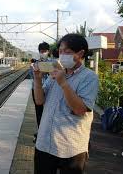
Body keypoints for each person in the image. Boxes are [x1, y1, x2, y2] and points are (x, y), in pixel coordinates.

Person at [32, 34, 99, 174]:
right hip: (44, 143)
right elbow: (39, 101)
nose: (62, 55)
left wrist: (63, 83)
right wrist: (37, 80)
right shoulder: (56, 73)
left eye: (67, 52)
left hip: (71, 148)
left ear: (80, 53)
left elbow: (80, 110)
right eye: (61, 51)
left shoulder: (89, 77)